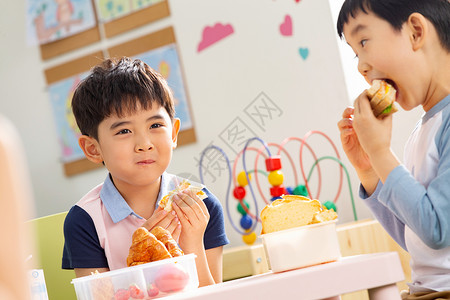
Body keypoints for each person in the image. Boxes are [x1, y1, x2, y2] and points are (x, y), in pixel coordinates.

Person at [62, 57, 229, 286]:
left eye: (155, 126)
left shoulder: (202, 205)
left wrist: (193, 246)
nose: (144, 143)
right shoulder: (85, 221)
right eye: (124, 131)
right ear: (93, 149)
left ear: (173, 134)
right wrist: (143, 261)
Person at [336, 0, 450, 298]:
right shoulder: (424, 128)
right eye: (354, 52)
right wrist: (370, 170)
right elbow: (418, 238)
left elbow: (437, 229)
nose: (360, 65)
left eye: (363, 41)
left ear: (415, 31)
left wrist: (381, 153)